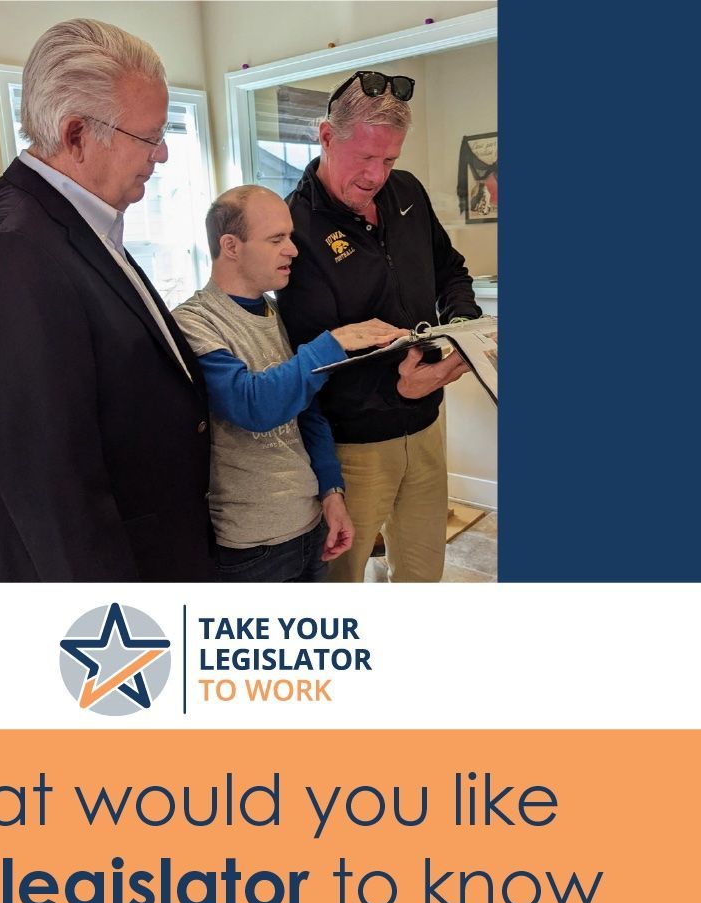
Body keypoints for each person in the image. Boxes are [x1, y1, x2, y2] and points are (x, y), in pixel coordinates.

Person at [0, 19, 213, 581]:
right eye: (150, 136)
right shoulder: (13, 249)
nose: (162, 154)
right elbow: (51, 489)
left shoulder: (80, 222)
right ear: (76, 135)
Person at [278, 71, 482, 583]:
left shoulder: (406, 192)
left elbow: (449, 268)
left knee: (420, 575)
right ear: (326, 136)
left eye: (389, 159)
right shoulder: (293, 226)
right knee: (342, 583)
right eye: (365, 158)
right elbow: (312, 357)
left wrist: (460, 327)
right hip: (356, 447)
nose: (377, 175)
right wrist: (399, 387)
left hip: (427, 426)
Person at [173, 185, 401, 582]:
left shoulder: (277, 313)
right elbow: (253, 406)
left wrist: (332, 493)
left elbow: (308, 411)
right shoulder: (194, 322)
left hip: (310, 527)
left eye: (290, 237)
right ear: (231, 245)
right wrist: (333, 343)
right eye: (277, 239)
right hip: (251, 548)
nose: (293, 250)